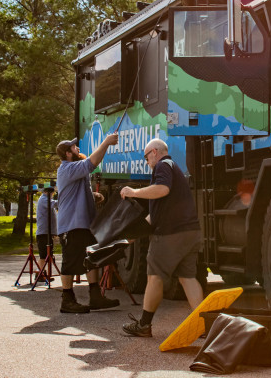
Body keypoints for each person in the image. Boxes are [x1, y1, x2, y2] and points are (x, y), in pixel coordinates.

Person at [120, 138, 203, 337]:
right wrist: (135, 233)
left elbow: (162, 189)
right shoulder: (175, 168)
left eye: (146, 156)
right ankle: (203, 324)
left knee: (154, 276)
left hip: (170, 233)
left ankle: (144, 325)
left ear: (155, 152)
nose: (147, 161)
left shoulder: (163, 166)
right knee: (188, 278)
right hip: (190, 232)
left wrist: (135, 192)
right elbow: (156, 213)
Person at [56, 134, 121, 314]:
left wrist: (93, 196)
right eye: (74, 148)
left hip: (84, 223)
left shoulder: (73, 169)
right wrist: (106, 143)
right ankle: (67, 300)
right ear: (68, 154)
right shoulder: (67, 168)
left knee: (92, 258)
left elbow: (73, 193)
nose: (78, 149)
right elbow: (91, 163)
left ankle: (95, 296)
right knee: (70, 262)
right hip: (71, 224)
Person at [35, 187, 58, 282]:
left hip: (46, 232)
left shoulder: (46, 199)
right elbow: (54, 204)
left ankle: (41, 273)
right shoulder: (44, 199)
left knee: (47, 255)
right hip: (43, 232)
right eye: (52, 192)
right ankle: (39, 273)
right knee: (44, 255)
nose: (52, 194)